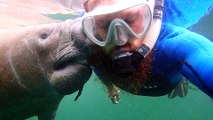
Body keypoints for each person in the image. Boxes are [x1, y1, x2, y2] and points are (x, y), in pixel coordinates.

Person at [68, 0, 213, 103]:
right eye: (105, 25)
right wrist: (110, 88)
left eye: (130, 20)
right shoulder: (91, 45)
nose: (120, 39)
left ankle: (182, 79)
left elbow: (202, 57)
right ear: (94, 26)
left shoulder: (176, 45)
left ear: (148, 14)